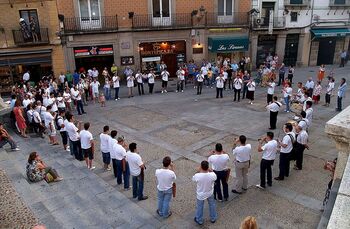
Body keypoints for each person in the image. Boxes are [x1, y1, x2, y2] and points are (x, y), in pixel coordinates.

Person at [192, 160, 217, 225]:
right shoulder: (212, 175)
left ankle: (199, 220)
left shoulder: (198, 175)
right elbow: (215, 177)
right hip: (210, 193)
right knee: (212, 205)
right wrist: (210, 170)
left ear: (201, 167)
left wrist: (198, 170)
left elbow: (193, 178)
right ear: (208, 167)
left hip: (201, 194)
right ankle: (213, 218)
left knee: (200, 207)